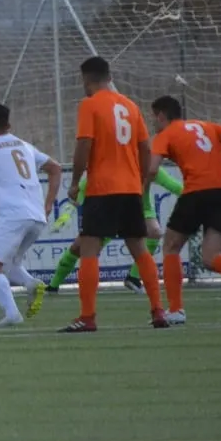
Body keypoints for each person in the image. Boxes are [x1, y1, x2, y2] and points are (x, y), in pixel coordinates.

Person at [63, 56, 167, 333]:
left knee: (89, 248)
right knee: (139, 249)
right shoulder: (130, 106)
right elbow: (146, 147)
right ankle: (158, 310)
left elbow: (84, 144)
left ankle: (87, 316)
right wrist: (142, 179)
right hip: (131, 188)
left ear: (87, 79)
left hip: (102, 188)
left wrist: (75, 181)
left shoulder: (89, 104)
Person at [148, 96, 221, 323]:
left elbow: (152, 169)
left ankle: (176, 310)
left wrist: (140, 185)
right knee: (210, 257)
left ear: (161, 115)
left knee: (170, 245)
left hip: (197, 193)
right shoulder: (206, 126)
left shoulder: (165, 135)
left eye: (154, 119)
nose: (154, 124)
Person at [0, 104, 62, 327]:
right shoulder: (25, 146)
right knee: (9, 264)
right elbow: (55, 168)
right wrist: (48, 204)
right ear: (9, 124)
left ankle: (12, 314)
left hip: (13, 215)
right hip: (36, 216)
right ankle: (31, 284)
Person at [45, 167, 184, 294]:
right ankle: (53, 285)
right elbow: (82, 190)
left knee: (154, 232)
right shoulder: (108, 168)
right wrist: (67, 213)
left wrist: (194, 197)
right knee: (79, 248)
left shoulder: (149, 167)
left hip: (140, 211)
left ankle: (133, 278)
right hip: (110, 213)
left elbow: (174, 185)